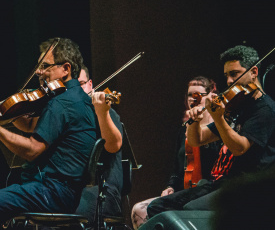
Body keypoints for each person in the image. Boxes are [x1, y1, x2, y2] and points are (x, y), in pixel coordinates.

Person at [0, 37, 99, 230]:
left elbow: (32, 150)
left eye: (46, 66)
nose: (39, 72)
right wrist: (8, 114)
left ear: (66, 68)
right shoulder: (79, 100)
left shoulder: (61, 103)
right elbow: (32, 126)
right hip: (66, 192)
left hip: (51, 191)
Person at [147, 45, 275, 218]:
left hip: (246, 187)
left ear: (253, 72)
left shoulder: (264, 109)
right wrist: (194, 121)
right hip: (221, 183)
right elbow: (196, 140)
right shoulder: (237, 106)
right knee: (157, 207)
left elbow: (240, 148)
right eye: (226, 75)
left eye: (234, 73)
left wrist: (219, 118)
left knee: (189, 212)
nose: (229, 81)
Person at [130, 76, 221, 229]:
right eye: (190, 95)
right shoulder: (184, 129)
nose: (193, 99)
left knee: (158, 208)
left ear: (209, 96)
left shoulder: (217, 127)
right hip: (184, 190)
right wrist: (170, 186)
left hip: (206, 190)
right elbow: (177, 168)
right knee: (138, 210)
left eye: (198, 95)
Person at [74, 66, 124, 226]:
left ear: (90, 85)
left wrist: (102, 112)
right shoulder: (67, 116)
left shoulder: (107, 113)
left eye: (81, 84)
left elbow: (112, 146)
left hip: (102, 187)